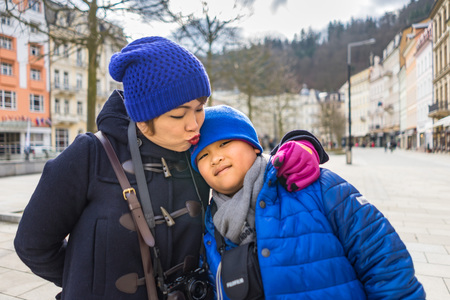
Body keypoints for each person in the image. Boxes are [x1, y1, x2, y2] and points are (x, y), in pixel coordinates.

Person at [14, 36, 214, 299]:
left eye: (199, 109)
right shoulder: (90, 154)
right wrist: (88, 280)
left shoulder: (202, 152)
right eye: (178, 114)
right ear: (143, 118)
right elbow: (33, 244)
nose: (194, 124)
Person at [190, 105, 426, 299]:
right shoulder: (210, 230)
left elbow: (384, 263)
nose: (216, 158)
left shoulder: (315, 186)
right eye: (203, 155)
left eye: (224, 143)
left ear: (253, 145)